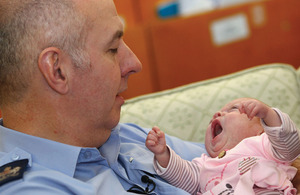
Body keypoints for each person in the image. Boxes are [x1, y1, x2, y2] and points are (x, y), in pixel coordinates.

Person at [0, 0, 207, 194]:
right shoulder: (30, 188)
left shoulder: (123, 135)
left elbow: (228, 162)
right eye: (113, 49)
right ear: (58, 71)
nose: (134, 64)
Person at [146, 98, 300, 194]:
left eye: (232, 109)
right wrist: (163, 154)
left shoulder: (263, 146)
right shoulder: (204, 164)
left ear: (261, 131)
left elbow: (290, 145)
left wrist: (268, 114)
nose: (217, 114)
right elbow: (185, 178)